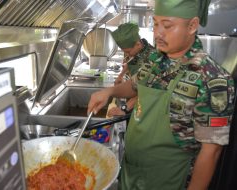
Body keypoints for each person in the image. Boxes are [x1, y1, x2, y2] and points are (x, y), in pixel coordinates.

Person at [88, 0, 235, 189]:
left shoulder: (213, 80)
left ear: (192, 26)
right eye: (155, 23)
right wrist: (110, 91)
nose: (158, 33)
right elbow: (134, 86)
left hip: (169, 180)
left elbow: (211, 152)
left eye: (167, 26)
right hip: (131, 175)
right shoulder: (155, 59)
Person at [107, 23, 155, 117]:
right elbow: (130, 61)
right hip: (133, 96)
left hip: (143, 106)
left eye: (128, 51)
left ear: (138, 44)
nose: (127, 54)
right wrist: (121, 75)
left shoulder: (151, 59)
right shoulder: (137, 49)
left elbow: (146, 92)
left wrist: (125, 108)